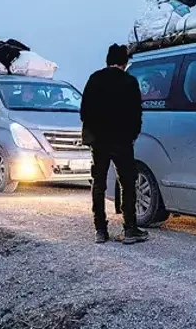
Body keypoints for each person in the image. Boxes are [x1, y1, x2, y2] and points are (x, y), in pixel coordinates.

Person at [80, 44, 148, 245]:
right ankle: (129, 229)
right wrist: (132, 135)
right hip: (122, 141)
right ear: (124, 62)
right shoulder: (129, 82)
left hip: (99, 142)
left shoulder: (94, 79)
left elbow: (84, 112)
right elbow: (137, 114)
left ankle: (100, 230)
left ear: (107, 61)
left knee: (99, 184)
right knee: (128, 183)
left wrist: (96, 131)